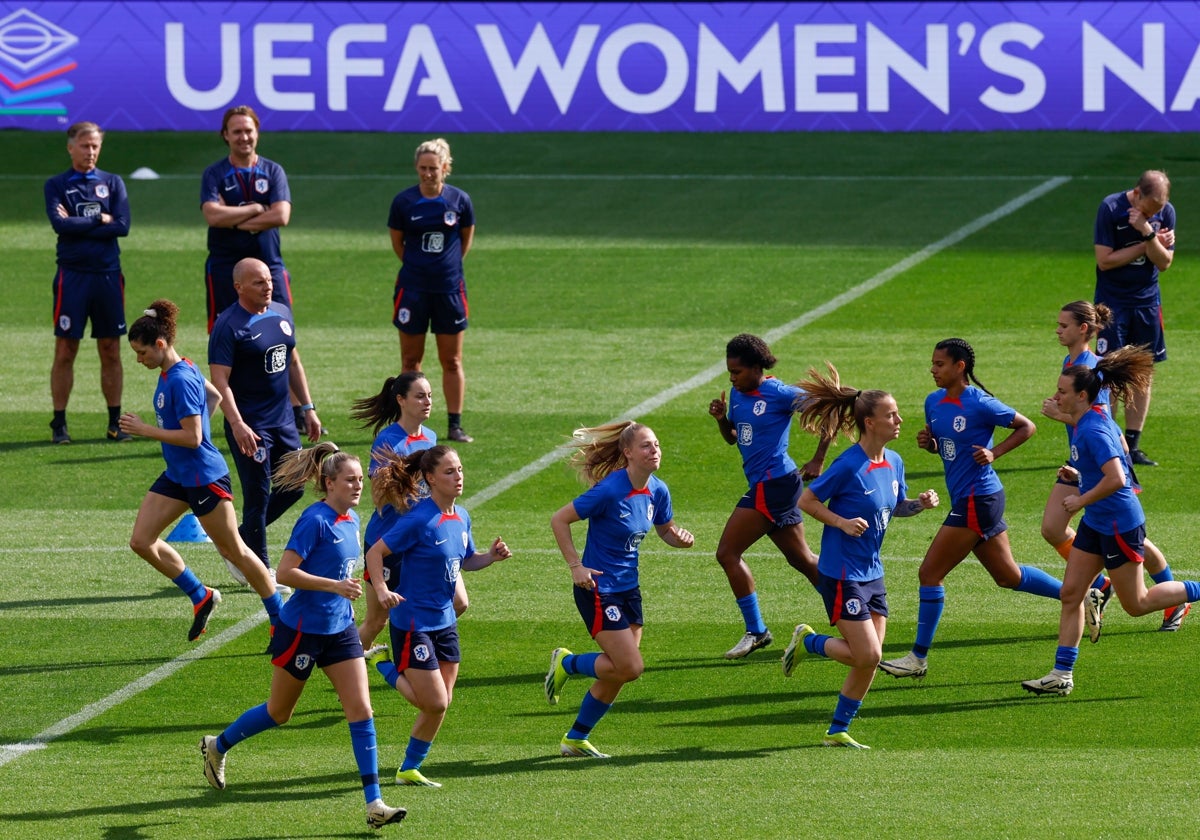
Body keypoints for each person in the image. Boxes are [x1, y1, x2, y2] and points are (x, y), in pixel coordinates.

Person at [199, 443, 407, 830]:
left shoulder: (351, 520)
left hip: (340, 630)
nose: (358, 486)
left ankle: (374, 802)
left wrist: (342, 594)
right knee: (280, 713)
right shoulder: (316, 520)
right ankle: (218, 745)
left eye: (361, 479)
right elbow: (285, 573)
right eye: (350, 480)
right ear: (329, 483)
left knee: (361, 711)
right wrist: (335, 587)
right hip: (302, 632)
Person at [879, 338, 1062, 681]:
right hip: (973, 499)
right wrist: (931, 445)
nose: (933, 370)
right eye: (932, 364)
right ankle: (1081, 594)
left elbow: (1027, 426)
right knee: (1008, 576)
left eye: (939, 364)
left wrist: (996, 452)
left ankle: (917, 658)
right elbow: (947, 447)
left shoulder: (979, 402)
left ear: (959, 366)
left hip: (978, 499)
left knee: (929, 573)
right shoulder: (933, 402)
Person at [1022, 348, 1200, 697]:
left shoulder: (1092, 429)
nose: (1056, 396)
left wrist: (1080, 498)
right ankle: (1062, 674)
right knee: (1071, 593)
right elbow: (1116, 450)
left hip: (1119, 524)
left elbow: (1117, 477)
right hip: (1098, 523)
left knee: (1137, 604)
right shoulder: (1091, 418)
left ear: (1082, 396)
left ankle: (1190, 593)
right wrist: (1082, 474)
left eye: (1062, 392)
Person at [781, 364, 938, 749]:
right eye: (891, 415)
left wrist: (918, 504)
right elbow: (807, 499)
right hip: (842, 573)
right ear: (869, 423)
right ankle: (810, 643)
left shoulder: (895, 462)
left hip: (872, 572)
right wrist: (841, 522)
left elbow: (893, 507)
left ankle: (837, 730)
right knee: (867, 653)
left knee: (870, 658)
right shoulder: (849, 465)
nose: (899, 420)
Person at [118, 300, 284, 640]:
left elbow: (193, 438)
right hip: (179, 475)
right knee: (141, 540)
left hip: (204, 478)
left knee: (235, 550)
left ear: (160, 344)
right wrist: (200, 429)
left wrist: (146, 429)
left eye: (141, 352)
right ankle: (201, 595)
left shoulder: (179, 379)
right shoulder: (180, 369)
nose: (139, 359)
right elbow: (214, 397)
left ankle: (279, 617)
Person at [544, 422, 695, 758]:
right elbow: (560, 519)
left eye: (656, 444)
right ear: (628, 453)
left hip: (629, 588)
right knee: (630, 667)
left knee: (619, 672)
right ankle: (567, 665)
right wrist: (575, 566)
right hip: (598, 587)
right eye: (645, 446)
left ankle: (575, 738)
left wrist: (679, 539)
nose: (654, 450)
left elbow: (665, 529)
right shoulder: (611, 490)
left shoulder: (658, 490)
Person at [363, 445, 511, 787]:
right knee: (434, 701)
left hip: (445, 622)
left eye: (459, 470)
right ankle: (383, 664)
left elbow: (466, 559)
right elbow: (375, 552)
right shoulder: (418, 519)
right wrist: (383, 591)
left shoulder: (462, 517)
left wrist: (490, 557)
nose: (458, 476)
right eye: (449, 472)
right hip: (413, 623)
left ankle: (409, 769)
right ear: (429, 479)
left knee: (441, 704)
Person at [1039, 301, 1186, 637]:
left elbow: (1099, 421)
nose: (1058, 331)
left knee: (1130, 536)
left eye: (1064, 326)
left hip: (1103, 463)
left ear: (1084, 329)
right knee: (1053, 527)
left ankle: (1171, 594)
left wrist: (1057, 415)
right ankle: (1101, 584)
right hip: (1083, 461)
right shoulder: (1071, 361)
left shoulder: (1089, 368)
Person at [707, 333, 827, 659]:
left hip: (773, 484)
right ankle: (852, 613)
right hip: (774, 484)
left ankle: (757, 631)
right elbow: (735, 438)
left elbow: (828, 413)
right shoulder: (737, 393)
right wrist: (722, 420)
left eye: (738, 371)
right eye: (730, 372)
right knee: (802, 559)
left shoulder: (779, 393)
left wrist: (818, 459)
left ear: (757, 367)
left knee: (727, 553)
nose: (732, 378)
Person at [208, 257, 322, 584]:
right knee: (257, 496)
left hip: (284, 420)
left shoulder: (282, 313)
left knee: (295, 486)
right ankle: (259, 567)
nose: (267, 285)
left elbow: (293, 362)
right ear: (239, 287)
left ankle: (236, 542)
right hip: (251, 425)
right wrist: (237, 424)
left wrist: (308, 408)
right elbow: (220, 380)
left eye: (269, 279)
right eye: (258, 282)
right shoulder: (229, 326)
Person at [348, 371, 469, 650]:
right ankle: (345, 665)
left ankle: (416, 656)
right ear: (401, 400)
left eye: (429, 395)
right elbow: (378, 497)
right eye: (420, 396)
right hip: (390, 540)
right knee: (377, 621)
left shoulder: (431, 436)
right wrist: (405, 490)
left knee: (459, 603)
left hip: (424, 536)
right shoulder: (388, 440)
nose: (427, 401)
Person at [45, 121, 131, 444]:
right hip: (73, 276)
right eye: (85, 145)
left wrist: (77, 223)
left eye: (95, 146)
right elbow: (59, 224)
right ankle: (59, 424)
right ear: (70, 147)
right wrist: (98, 219)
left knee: (110, 349)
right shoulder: (56, 185)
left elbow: (122, 226)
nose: (91, 151)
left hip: (108, 276)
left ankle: (114, 423)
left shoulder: (113, 182)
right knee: (66, 348)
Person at [388, 138, 476, 443]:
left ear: (445, 168)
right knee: (410, 362)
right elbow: (398, 244)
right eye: (423, 168)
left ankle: (455, 424)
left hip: (449, 290)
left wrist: (444, 268)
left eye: (433, 168)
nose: (428, 174)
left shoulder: (460, 201)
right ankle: (409, 426)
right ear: (416, 168)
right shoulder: (403, 202)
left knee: (451, 361)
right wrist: (420, 269)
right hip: (412, 290)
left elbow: (464, 241)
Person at [1093, 170, 1176, 467]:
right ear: (1137, 193)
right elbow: (1105, 261)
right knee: (1109, 372)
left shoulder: (1165, 212)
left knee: (1143, 373)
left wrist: (1147, 231)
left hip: (1147, 304)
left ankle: (1133, 444)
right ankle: (1107, 441)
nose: (1155, 213)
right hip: (1112, 304)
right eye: (1150, 209)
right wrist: (1146, 242)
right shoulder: (1111, 208)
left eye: (1158, 210)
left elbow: (1164, 262)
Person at [200, 104, 293, 332]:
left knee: (283, 337)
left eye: (248, 131)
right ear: (225, 135)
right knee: (225, 336)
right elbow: (212, 216)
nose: (244, 137)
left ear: (257, 132)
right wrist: (258, 209)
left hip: (268, 266)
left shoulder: (273, 171)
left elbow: (281, 215)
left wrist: (231, 218)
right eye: (237, 132)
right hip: (225, 267)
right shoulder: (215, 174)